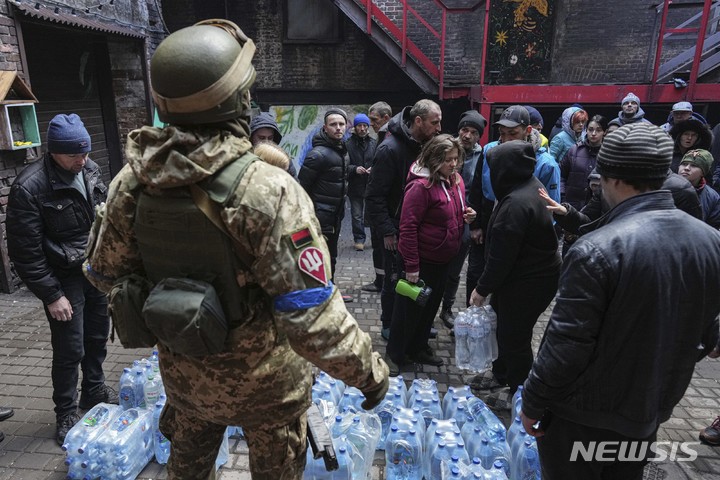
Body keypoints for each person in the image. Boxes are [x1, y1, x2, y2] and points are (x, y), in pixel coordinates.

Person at [82, 20, 389, 479]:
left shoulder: (132, 181)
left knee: (186, 470)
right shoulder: (267, 189)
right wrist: (370, 374)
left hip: (186, 377)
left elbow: (102, 274)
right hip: (269, 390)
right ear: (238, 99)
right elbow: (311, 316)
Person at [520, 123, 720, 479]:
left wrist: (533, 401)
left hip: (583, 418)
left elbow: (566, 345)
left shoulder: (598, 249)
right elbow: (707, 330)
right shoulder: (710, 241)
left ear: (611, 179)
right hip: (649, 409)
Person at [6, 113, 118, 446]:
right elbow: (25, 253)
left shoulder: (90, 170)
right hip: (63, 278)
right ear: (54, 151)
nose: (82, 160)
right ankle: (66, 411)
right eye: (74, 154)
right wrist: (52, 295)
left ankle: (94, 389)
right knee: (70, 348)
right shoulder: (29, 187)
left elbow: (106, 219)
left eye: (84, 152)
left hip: (94, 271)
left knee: (97, 337)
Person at [468, 140, 561, 409]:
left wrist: (482, 288)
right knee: (502, 329)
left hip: (529, 282)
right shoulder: (527, 184)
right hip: (523, 277)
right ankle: (501, 375)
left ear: (505, 169)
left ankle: (521, 393)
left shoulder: (517, 204)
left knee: (514, 338)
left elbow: (501, 257)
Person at [386, 134, 475, 375]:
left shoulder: (455, 181)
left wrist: (467, 215)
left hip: (444, 259)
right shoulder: (420, 187)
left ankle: (419, 347)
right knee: (408, 312)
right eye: (447, 160)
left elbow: (453, 209)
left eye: (456, 159)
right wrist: (412, 266)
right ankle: (398, 354)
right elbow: (408, 227)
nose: (453, 164)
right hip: (421, 261)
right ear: (434, 160)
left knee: (429, 308)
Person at [365, 99, 442, 340]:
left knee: (416, 278)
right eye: (435, 122)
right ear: (418, 121)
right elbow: (374, 195)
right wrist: (388, 230)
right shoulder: (390, 149)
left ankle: (414, 323)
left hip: (420, 228)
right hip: (395, 228)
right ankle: (389, 324)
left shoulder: (426, 145)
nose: (439, 128)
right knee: (393, 279)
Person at [439, 110, 486, 330]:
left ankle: (446, 308)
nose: (467, 135)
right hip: (441, 216)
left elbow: (480, 191)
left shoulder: (483, 156)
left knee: (455, 270)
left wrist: (476, 222)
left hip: (465, 220)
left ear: (479, 136)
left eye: (473, 132)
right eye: (464, 130)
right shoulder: (446, 150)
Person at [298, 108, 349, 281]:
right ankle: (320, 294)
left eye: (341, 124)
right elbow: (301, 189)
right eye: (333, 124)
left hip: (335, 217)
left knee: (331, 257)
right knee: (318, 257)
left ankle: (330, 291)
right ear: (325, 128)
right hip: (319, 219)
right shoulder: (317, 155)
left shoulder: (342, 151)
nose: (338, 128)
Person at [361, 102, 394, 293]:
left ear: (386, 118)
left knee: (384, 246)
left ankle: (384, 282)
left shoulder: (389, 139)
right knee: (377, 245)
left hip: (383, 205)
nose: (371, 123)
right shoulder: (382, 138)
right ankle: (380, 280)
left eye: (374, 120)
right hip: (376, 203)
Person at [346, 113, 377, 251]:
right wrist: (354, 169)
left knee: (372, 214)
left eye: (365, 125)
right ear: (355, 127)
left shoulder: (374, 144)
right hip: (355, 186)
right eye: (360, 126)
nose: (363, 128)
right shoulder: (347, 144)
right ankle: (359, 239)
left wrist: (373, 169)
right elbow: (344, 165)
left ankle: (376, 239)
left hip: (371, 186)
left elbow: (379, 162)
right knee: (357, 215)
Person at [678, 149, 720, 228]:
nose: (686, 168)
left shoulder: (713, 197)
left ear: (703, 173)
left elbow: (712, 229)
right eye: (684, 164)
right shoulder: (663, 187)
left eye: (694, 165)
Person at [249, 111, 297, 178]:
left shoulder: (282, 159)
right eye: (261, 138)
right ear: (251, 137)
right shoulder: (245, 159)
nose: (266, 142)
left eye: (270, 138)